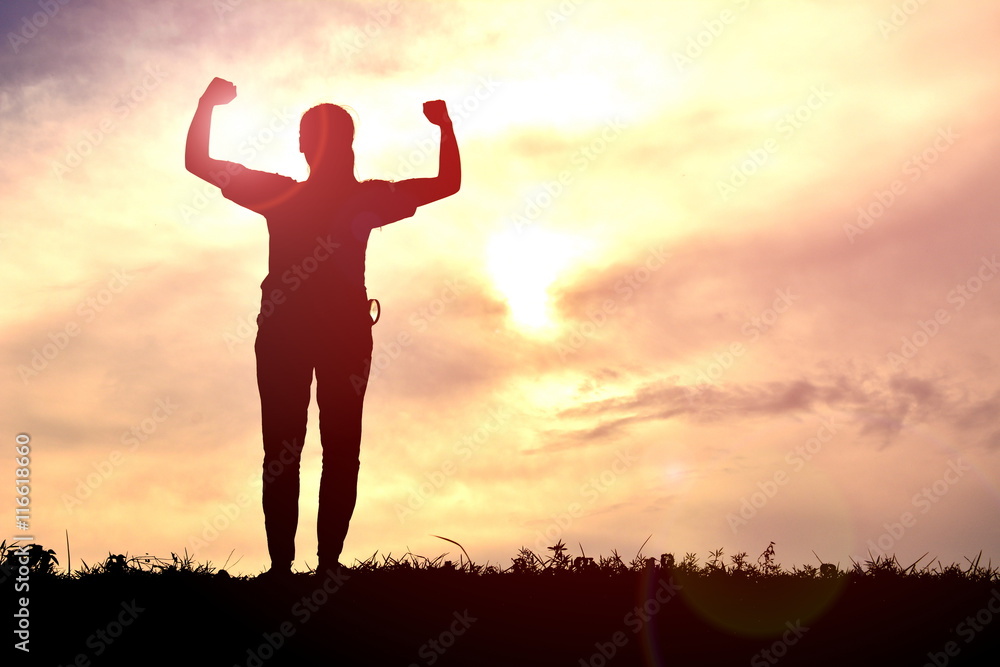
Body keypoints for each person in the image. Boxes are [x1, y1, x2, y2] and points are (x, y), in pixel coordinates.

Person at [185, 77, 461, 577]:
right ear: (347, 145)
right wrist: (444, 126)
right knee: (327, 449)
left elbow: (198, 163)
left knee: (302, 448)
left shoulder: (283, 193)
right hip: (330, 334)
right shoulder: (357, 199)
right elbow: (447, 183)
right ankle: (312, 565)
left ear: (301, 145)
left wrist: (207, 104)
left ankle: (293, 566)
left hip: (306, 333)